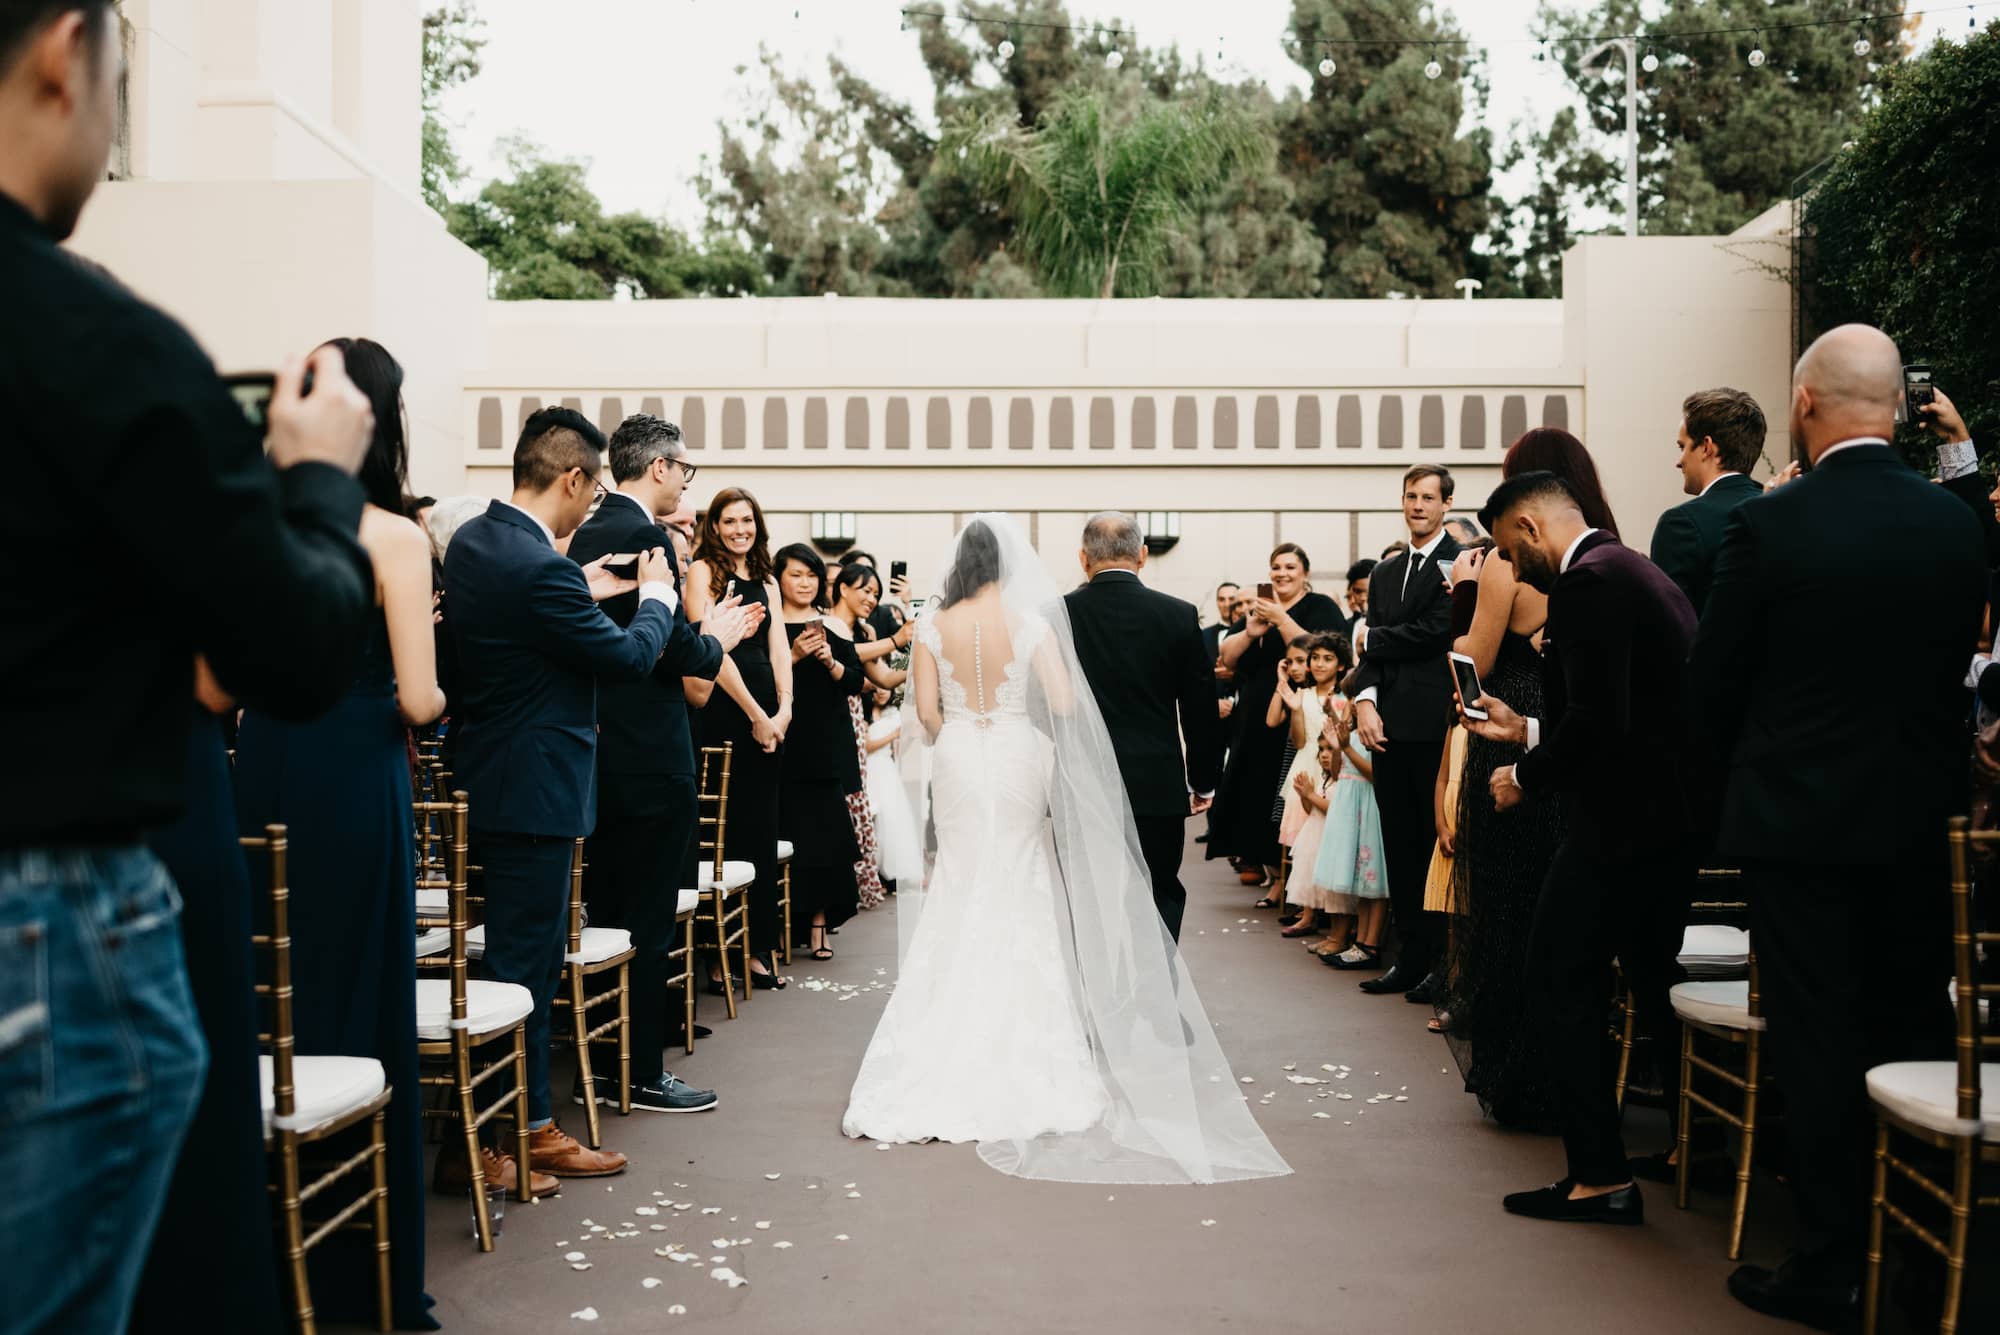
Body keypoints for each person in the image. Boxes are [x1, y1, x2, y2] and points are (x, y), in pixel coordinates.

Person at [1, 7, 380, 1329]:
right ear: (65, 52)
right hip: (42, 918)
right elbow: (293, 644)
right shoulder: (89, 340)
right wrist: (321, 482)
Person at [841, 515, 1289, 1188]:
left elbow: (927, 714)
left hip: (961, 757)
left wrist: (968, 725)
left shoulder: (934, 626)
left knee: (965, 878)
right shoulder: (1034, 624)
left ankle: (950, 1028)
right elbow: (1059, 700)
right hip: (1029, 758)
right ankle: (1105, 1017)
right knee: (1040, 877)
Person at [1691, 325, 1985, 1329]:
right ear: (1898, 409)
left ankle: (1823, 1264)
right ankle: (1920, 1260)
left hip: (1795, 825)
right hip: (1916, 820)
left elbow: (1715, 681)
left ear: (1804, 405)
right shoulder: (1956, 523)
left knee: (1815, 1041)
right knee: (1911, 1019)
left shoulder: (1771, 528)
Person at [230, 338, 445, 1328]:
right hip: (356, 780)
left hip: (265, 766)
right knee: (360, 996)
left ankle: (268, 1251)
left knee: (271, 990)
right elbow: (420, 697)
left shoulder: (251, 519)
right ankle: (363, 1269)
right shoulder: (393, 538)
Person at [443, 407, 677, 1180]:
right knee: (525, 967)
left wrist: (583, 580)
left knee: (518, 962)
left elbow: (519, 622)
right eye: (594, 489)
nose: (594, 506)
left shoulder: (477, 540)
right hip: (536, 787)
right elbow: (624, 659)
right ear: (572, 478)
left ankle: (519, 1123)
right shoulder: (539, 566)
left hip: (494, 772)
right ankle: (506, 1136)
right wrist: (656, 604)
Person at [1462, 471, 1700, 1227]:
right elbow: (1627, 716)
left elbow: (1597, 724)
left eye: (1507, 549)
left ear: (1530, 528)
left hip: (1620, 826)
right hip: (1664, 820)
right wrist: (1526, 728)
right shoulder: (1632, 568)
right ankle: (1698, 1149)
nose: (1510, 565)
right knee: (1651, 980)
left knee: (1556, 973)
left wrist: (1523, 776)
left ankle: (1600, 1174)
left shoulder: (1588, 582)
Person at [565, 413, 751, 1109]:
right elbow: (672, 645)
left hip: (600, 751)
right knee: (645, 920)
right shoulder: (643, 535)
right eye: (685, 469)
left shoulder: (587, 528)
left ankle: (605, 1059)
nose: (684, 482)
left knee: (609, 914)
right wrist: (716, 636)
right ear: (662, 468)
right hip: (647, 757)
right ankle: (639, 1070)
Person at [1439, 428, 1616, 1132]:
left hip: (1511, 726)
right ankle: (1564, 1067)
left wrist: (1462, 593)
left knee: (1509, 904)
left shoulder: (1499, 568)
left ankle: (1517, 1069)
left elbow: (1472, 662)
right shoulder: (1604, 550)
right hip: (1566, 732)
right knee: (1555, 898)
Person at [1063, 513, 1225, 942]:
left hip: (1084, 783)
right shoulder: (1177, 615)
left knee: (1092, 892)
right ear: (1143, 555)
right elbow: (1199, 710)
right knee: (1159, 891)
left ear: (1083, 558)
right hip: (1157, 783)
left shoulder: (1058, 616)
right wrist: (1203, 781)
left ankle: (1100, 991)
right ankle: (1153, 991)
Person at [1350, 465, 1462, 1002]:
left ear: (1445, 505)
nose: (1417, 505)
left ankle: (1441, 963)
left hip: (1433, 722)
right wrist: (1365, 700)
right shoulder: (1385, 571)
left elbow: (1435, 633)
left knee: (1432, 845)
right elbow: (1377, 650)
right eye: (1410, 496)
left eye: (1427, 497)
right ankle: (1408, 956)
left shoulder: (1458, 562)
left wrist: (1372, 640)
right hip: (1386, 726)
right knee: (1397, 845)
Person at [685, 488, 792, 986]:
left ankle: (756, 947)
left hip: (768, 720)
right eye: (729, 521)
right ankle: (715, 954)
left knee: (760, 831)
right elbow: (711, 649)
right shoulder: (704, 571)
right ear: (715, 526)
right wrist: (754, 713)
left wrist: (783, 710)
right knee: (722, 834)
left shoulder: (767, 580)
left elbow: (779, 649)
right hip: (727, 710)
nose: (739, 530)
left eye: (747, 520)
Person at [1208, 543, 1348, 887]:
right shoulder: (1261, 607)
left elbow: (1320, 651)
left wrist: (1282, 620)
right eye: (1276, 567)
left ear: (1305, 573)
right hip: (1255, 707)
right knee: (1249, 783)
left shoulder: (1320, 606)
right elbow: (1226, 655)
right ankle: (1253, 858)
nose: (1281, 573)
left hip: (1299, 708)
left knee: (1281, 785)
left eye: (1289, 567)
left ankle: (1286, 870)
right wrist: (1250, 631)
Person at [771, 544, 868, 959]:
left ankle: (818, 928)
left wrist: (831, 662)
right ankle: (781, 925)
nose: (805, 582)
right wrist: (791, 656)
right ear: (779, 578)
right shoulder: (769, 624)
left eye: (811, 575)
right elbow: (761, 682)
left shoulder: (834, 626)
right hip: (785, 742)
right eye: (796, 575)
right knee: (787, 835)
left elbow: (856, 682)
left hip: (825, 741)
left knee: (826, 841)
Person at [1648, 388, 1768, 616]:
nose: (1679, 461)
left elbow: (1668, 628)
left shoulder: (1681, 524)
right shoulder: (1778, 509)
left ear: (1706, 447)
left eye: (1682, 447)